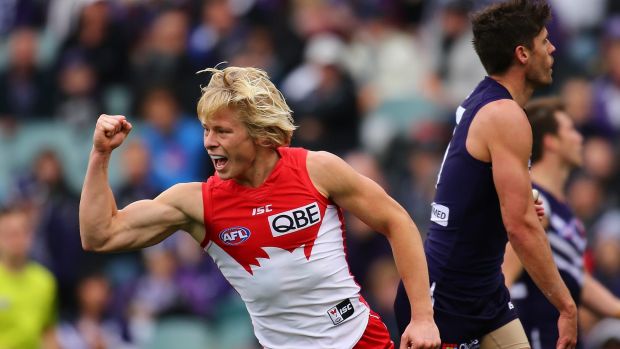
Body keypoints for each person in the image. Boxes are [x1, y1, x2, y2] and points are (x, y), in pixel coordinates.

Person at [79, 66, 441, 349]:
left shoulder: (317, 169)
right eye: (206, 130)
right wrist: (100, 155)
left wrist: (422, 316)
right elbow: (100, 235)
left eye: (222, 131)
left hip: (360, 339)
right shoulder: (196, 203)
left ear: (258, 132)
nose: (209, 142)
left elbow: (397, 220)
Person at [394, 1, 578, 348]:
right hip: (445, 297)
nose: (552, 48)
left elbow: (475, 185)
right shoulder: (505, 115)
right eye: (544, 41)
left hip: (484, 289)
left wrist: (521, 200)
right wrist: (566, 306)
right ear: (522, 54)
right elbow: (520, 227)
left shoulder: (483, 98)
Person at [503, 97, 620, 349]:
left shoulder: (563, 209)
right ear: (551, 141)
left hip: (560, 334)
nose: (579, 138)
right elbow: (504, 278)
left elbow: (577, 278)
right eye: (570, 130)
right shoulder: (534, 202)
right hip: (535, 333)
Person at [0, 207, 59, 349]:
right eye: (9, 233)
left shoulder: (45, 281)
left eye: (22, 232)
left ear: (30, 236)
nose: (16, 239)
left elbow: (48, 331)